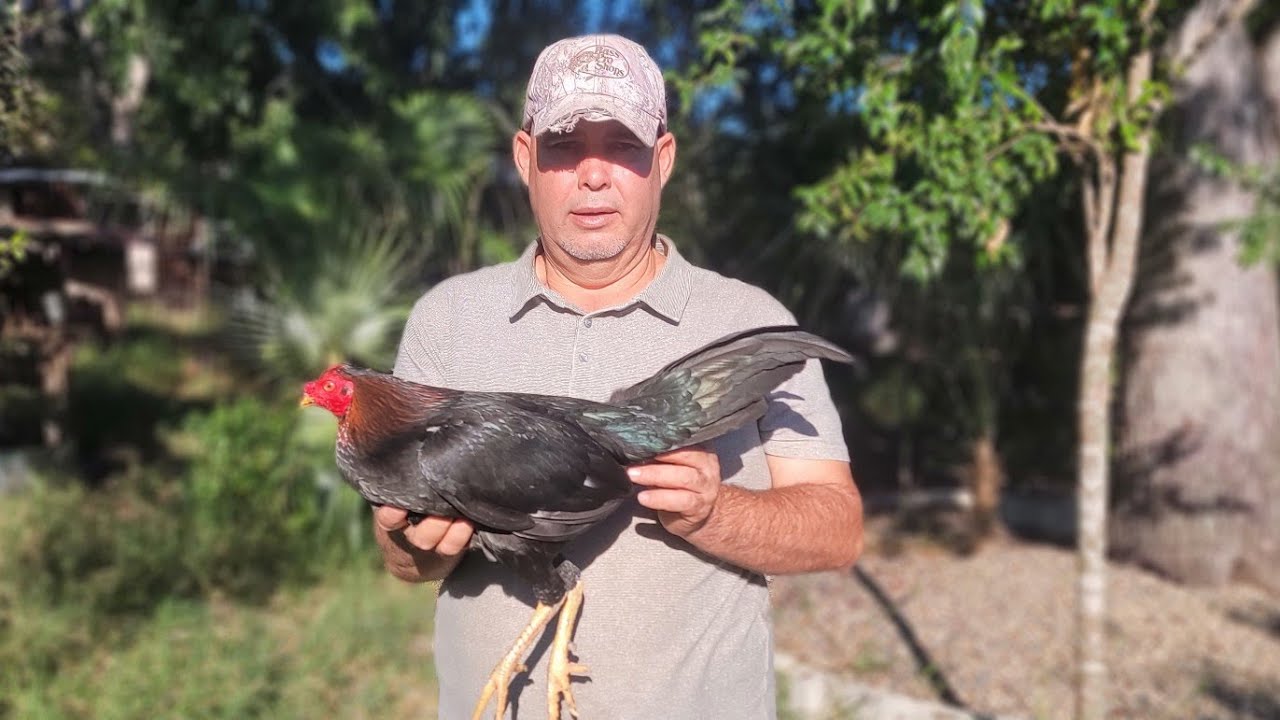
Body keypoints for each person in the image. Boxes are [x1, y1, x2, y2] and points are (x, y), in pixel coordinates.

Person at [372, 33, 863, 720]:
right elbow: (403, 560)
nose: (594, 175)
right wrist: (412, 543)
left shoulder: (748, 319)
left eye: (623, 147)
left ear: (662, 160)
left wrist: (716, 512)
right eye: (566, 147)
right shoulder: (447, 319)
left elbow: (837, 529)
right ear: (525, 158)